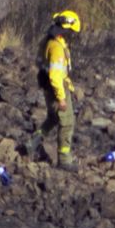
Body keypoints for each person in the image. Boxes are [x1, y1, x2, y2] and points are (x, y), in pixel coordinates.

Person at [34, 9, 80, 169]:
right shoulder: (57, 48)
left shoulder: (48, 41)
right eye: (71, 32)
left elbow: (40, 63)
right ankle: (64, 160)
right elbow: (55, 75)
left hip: (47, 85)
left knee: (53, 118)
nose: (72, 35)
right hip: (56, 89)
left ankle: (32, 143)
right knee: (67, 123)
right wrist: (61, 97)